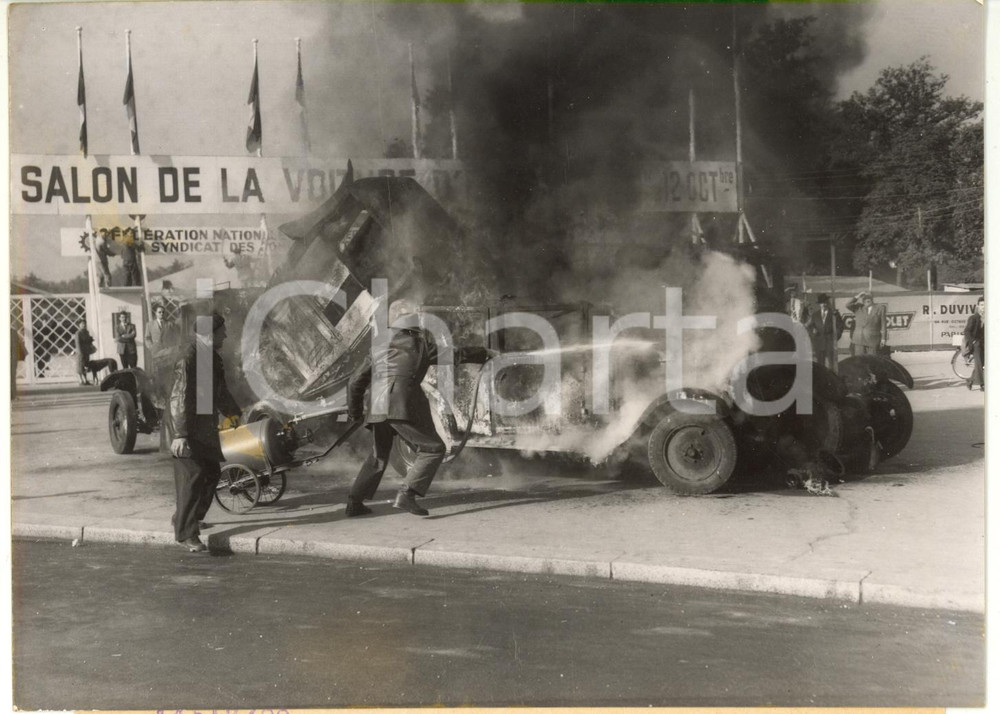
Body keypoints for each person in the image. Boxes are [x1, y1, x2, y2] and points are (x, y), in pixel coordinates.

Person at [345, 299, 494, 517]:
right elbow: (456, 355)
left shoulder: (378, 346)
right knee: (433, 449)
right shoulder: (419, 345)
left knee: (378, 455)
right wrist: (484, 352)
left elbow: (355, 381)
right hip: (400, 406)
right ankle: (407, 494)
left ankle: (354, 503)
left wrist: (355, 413)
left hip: (376, 407)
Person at [166, 311, 241, 552]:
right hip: (185, 427)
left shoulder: (210, 357)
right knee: (193, 475)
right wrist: (180, 435)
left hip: (202, 427)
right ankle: (187, 534)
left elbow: (218, 392)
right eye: (222, 331)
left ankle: (187, 518)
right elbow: (180, 396)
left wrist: (233, 412)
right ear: (210, 334)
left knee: (210, 472)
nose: (226, 335)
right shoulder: (189, 358)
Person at [804, 293, 844, 370]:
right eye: (822, 303)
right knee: (820, 364)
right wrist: (813, 334)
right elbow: (808, 327)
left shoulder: (834, 313)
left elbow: (840, 326)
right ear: (819, 304)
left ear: (827, 303)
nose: (824, 304)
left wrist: (836, 337)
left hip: (830, 341)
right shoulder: (815, 315)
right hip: (819, 342)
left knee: (831, 364)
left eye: (825, 302)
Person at [848, 291, 886, 356]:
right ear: (862, 300)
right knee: (859, 362)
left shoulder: (880, 308)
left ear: (872, 299)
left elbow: (883, 325)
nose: (867, 299)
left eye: (869, 297)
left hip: (873, 340)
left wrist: (883, 338)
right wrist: (858, 296)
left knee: (872, 362)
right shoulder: (858, 307)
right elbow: (847, 305)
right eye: (865, 297)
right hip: (859, 340)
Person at [963, 296, 985, 391]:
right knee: (979, 363)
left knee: (982, 364)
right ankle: (982, 385)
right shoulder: (973, 318)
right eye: (982, 305)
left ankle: (970, 381)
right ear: (978, 306)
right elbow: (967, 331)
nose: (984, 307)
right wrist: (973, 341)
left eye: (985, 305)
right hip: (976, 344)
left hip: (985, 344)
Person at [74, 319, 96, 385]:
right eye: (82, 324)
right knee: (80, 366)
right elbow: (77, 343)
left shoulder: (86, 332)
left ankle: (86, 380)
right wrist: (80, 352)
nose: (83, 325)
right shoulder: (78, 333)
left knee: (86, 366)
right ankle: (81, 380)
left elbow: (88, 340)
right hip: (81, 352)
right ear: (79, 325)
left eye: (84, 323)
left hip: (86, 351)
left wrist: (91, 339)